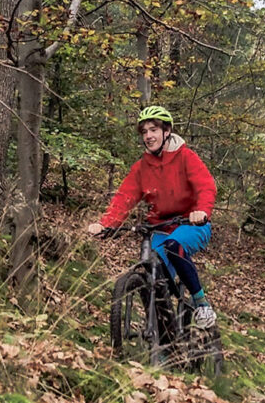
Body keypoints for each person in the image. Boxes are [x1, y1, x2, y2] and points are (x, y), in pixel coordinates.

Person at [88, 105, 218, 329]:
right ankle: (162, 344)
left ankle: (201, 303)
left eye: (154, 130)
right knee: (152, 273)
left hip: (191, 223)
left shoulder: (186, 157)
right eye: (145, 131)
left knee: (172, 245)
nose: (148, 136)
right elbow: (124, 198)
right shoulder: (141, 168)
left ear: (166, 131)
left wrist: (202, 211)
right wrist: (105, 224)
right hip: (159, 227)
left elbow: (206, 187)